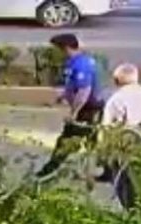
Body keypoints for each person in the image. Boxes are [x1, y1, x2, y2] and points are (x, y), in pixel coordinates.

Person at [36, 33, 106, 178]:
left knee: (67, 139)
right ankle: (104, 171)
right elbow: (73, 85)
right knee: (91, 140)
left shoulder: (81, 64)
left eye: (57, 49)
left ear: (66, 48)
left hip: (88, 109)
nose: (56, 52)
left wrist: (74, 113)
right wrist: (64, 96)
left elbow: (84, 91)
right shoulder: (76, 61)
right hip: (88, 107)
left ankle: (49, 170)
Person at [99, 63, 141, 209]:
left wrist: (104, 157)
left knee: (127, 184)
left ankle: (132, 211)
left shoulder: (116, 99)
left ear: (116, 81)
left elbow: (107, 129)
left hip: (128, 144)